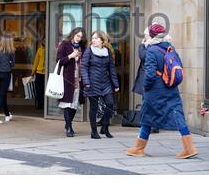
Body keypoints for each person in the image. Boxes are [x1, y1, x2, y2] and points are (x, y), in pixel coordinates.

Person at [126, 23, 198, 159]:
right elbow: (179, 65)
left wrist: (146, 87)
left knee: (147, 115)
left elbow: (150, 74)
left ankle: (139, 148)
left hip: (155, 90)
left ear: (152, 36)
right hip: (171, 87)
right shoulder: (171, 48)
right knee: (177, 113)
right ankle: (189, 147)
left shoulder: (152, 50)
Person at [81, 31, 119, 139]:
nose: (93, 40)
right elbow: (83, 67)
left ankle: (105, 127)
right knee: (94, 107)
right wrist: (86, 82)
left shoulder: (107, 52)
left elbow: (111, 69)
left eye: (96, 38)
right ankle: (94, 132)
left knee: (110, 104)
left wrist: (115, 84)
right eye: (92, 38)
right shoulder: (89, 51)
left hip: (105, 83)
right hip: (92, 83)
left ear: (102, 41)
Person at [56, 27, 87, 137]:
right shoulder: (64, 44)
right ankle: (69, 127)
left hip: (79, 79)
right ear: (73, 34)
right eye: (77, 36)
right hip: (67, 79)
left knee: (75, 104)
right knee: (67, 104)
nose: (79, 38)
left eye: (81, 37)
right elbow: (59, 61)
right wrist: (71, 56)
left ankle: (68, 123)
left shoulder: (82, 48)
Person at [132, 27, 159, 133]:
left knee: (149, 102)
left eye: (145, 35)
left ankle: (151, 125)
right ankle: (150, 124)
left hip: (149, 79)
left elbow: (143, 56)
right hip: (150, 79)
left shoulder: (150, 46)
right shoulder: (154, 45)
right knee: (149, 102)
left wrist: (142, 45)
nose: (144, 37)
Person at [0, 34, 15, 124]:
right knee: (2, 95)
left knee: (3, 94)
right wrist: (9, 63)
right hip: (5, 74)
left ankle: (7, 115)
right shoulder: (11, 50)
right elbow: (13, 64)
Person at [31, 38, 45, 110]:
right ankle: (40, 104)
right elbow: (36, 61)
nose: (45, 41)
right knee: (39, 90)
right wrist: (33, 72)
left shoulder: (51, 49)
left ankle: (45, 105)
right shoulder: (40, 49)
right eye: (44, 40)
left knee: (45, 90)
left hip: (47, 73)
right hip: (39, 73)